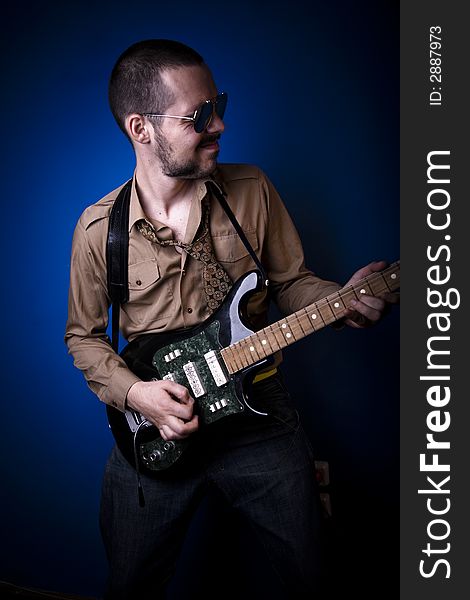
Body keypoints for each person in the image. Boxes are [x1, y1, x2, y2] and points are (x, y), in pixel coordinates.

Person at [65, 39, 398, 599]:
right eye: (199, 116)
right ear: (141, 129)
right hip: (156, 433)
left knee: (315, 576)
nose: (218, 124)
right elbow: (84, 337)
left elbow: (290, 284)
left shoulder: (251, 189)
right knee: (130, 586)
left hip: (259, 421)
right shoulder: (99, 230)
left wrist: (343, 301)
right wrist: (135, 395)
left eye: (218, 104)